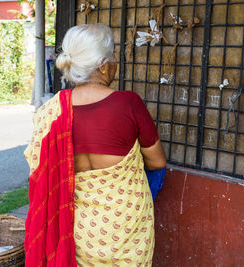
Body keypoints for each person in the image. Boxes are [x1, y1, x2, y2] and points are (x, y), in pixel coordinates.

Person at [24, 24, 166, 267]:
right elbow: (157, 162)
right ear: (102, 64)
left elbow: (40, 171)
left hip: (76, 232)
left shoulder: (50, 111)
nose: (115, 63)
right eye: (113, 57)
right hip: (126, 233)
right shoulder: (128, 104)